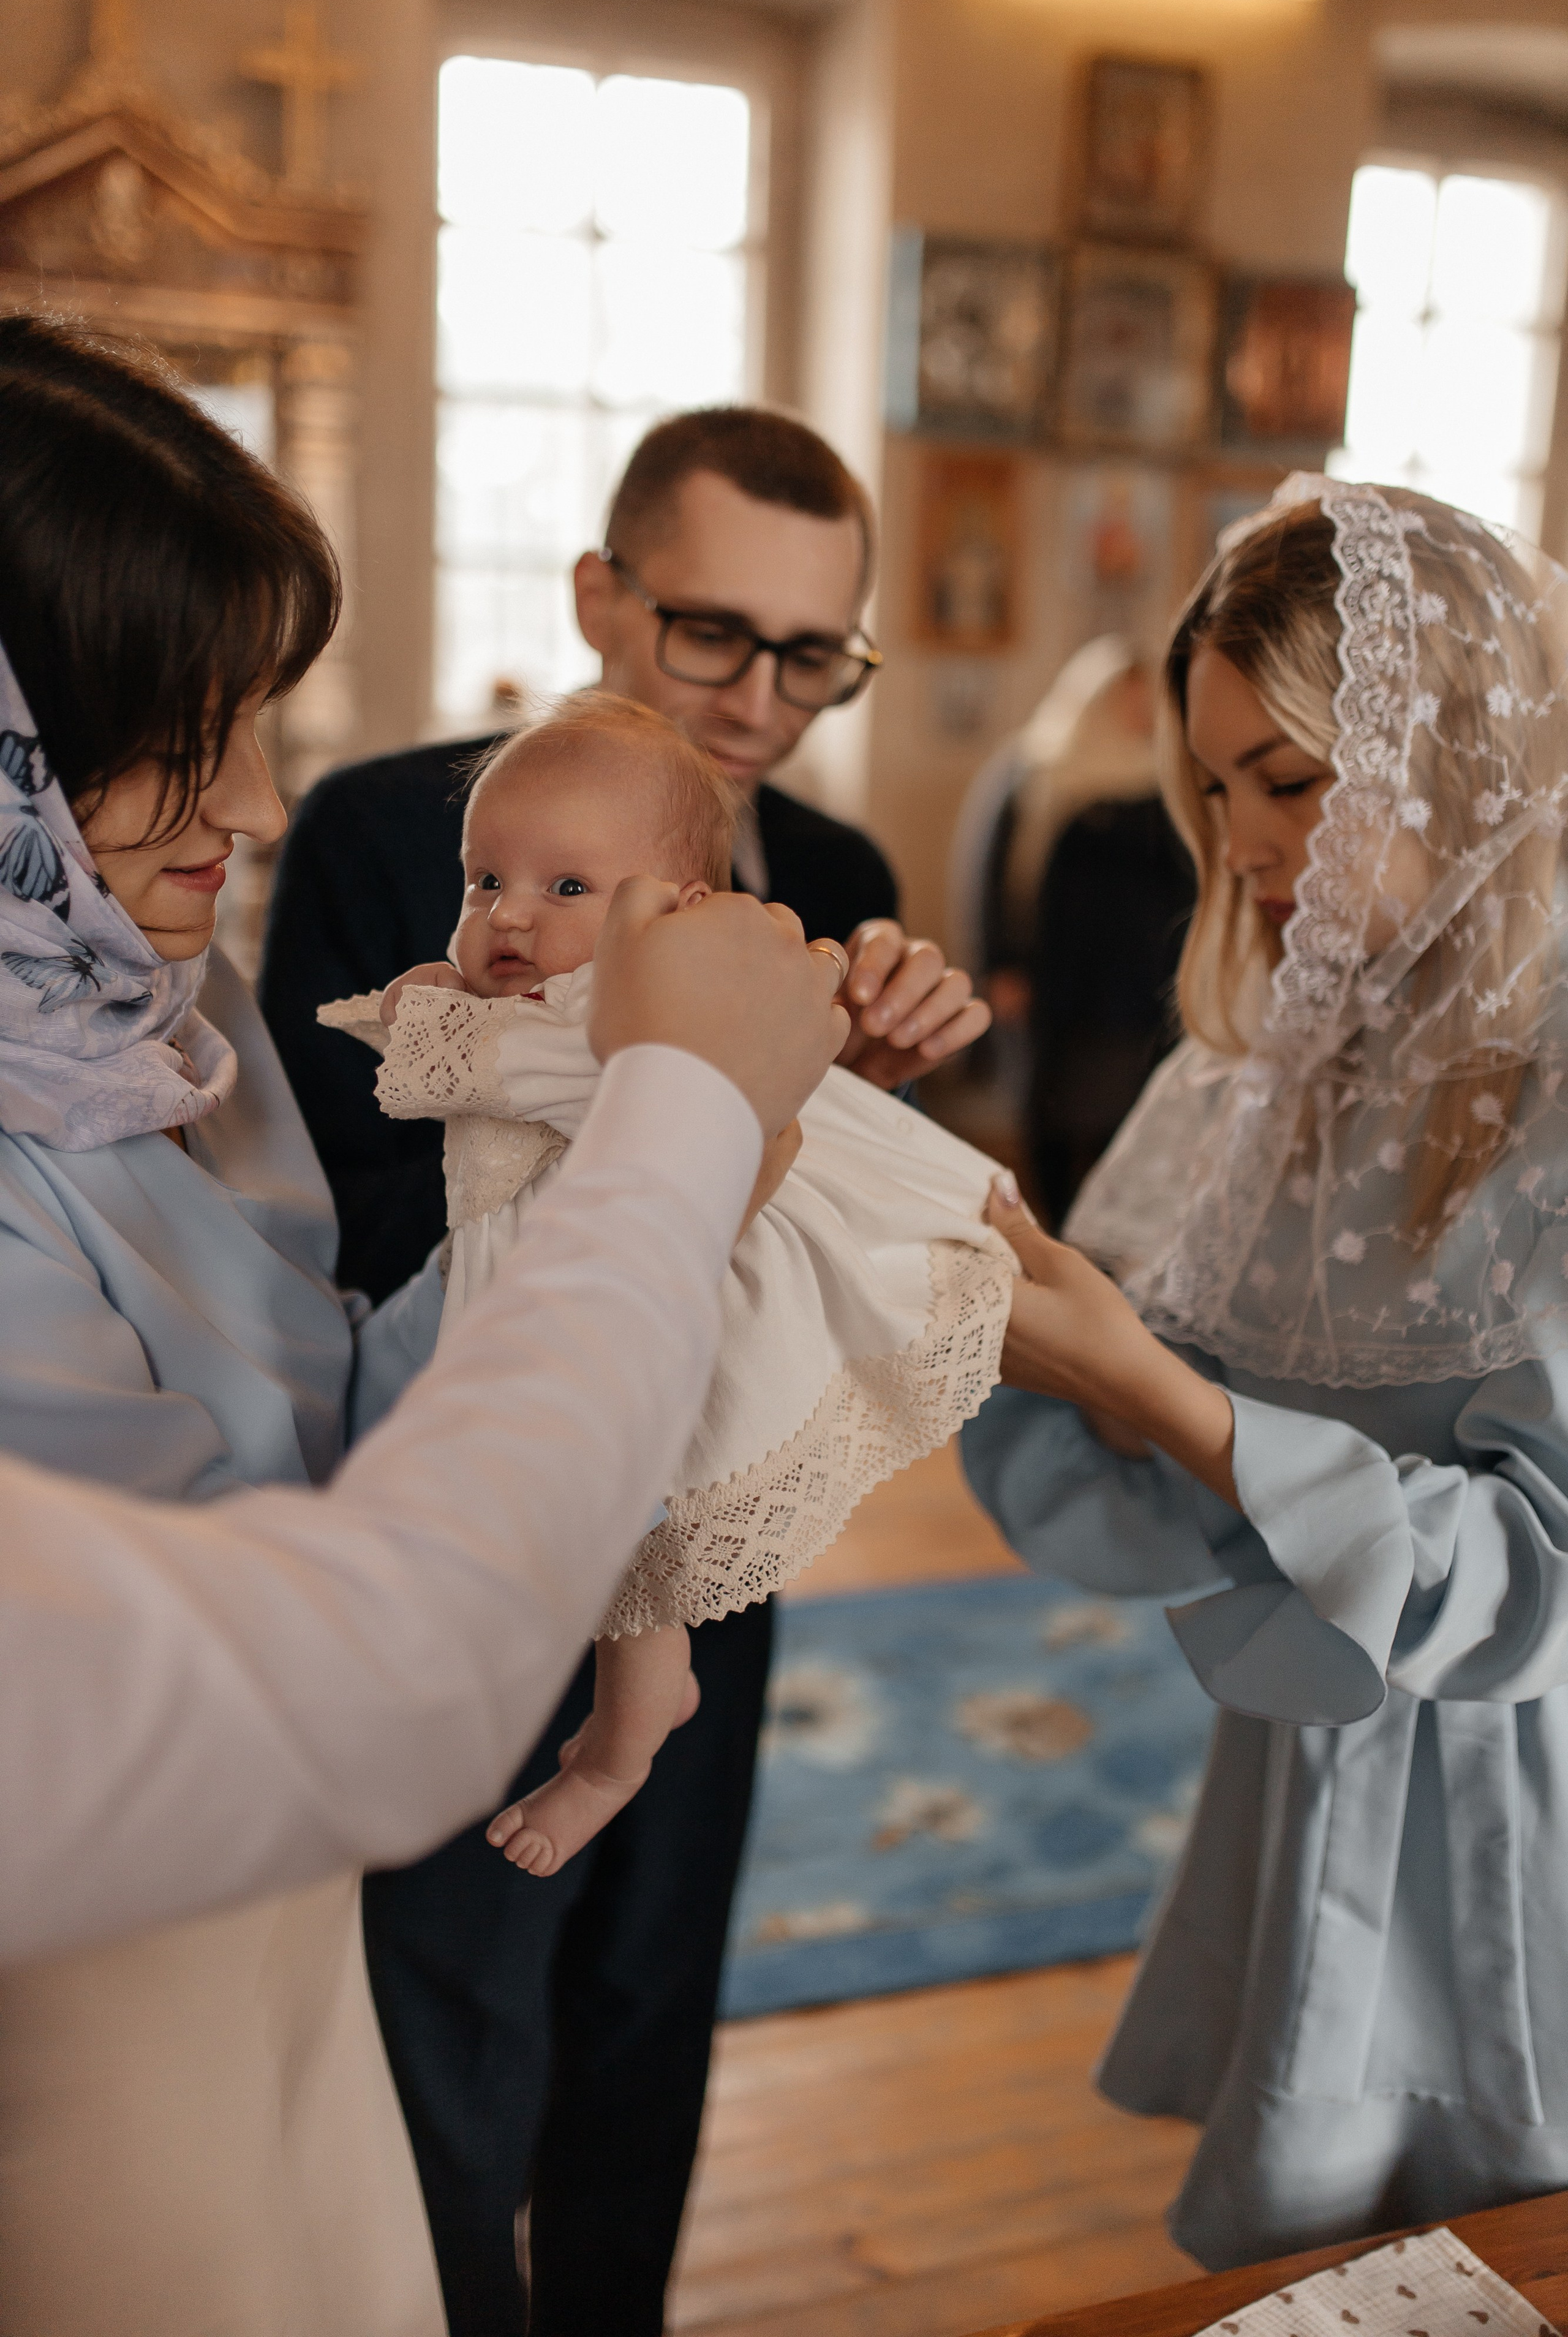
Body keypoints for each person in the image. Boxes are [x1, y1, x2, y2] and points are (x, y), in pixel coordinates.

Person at [259, 405, 991, 2336]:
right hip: (468, 1502)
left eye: (812, 653)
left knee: (653, 1993)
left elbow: (803, 1206)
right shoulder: (393, 836)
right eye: (710, 635)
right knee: (456, 1994)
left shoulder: (826, 861)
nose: (761, 696)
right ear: (600, 591)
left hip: (692, 1519)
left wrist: (850, 1093)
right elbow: (351, 1212)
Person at [962, 477, 1568, 2269]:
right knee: (1325, 2253)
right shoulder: (1269, 1061)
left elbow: (1539, 1583)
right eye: (1213, 787)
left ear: (1456, 753)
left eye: (1287, 782)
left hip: (1521, 1800)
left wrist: (1156, 1392)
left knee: (1505, 2246)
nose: (1236, 840)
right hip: (1318, 1754)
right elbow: (1162, 1463)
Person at [2, 874, 854, 1964]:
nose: (257, 807)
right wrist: (678, 1152)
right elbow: (332, 1692)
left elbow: (331, 1380)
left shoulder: (168, 977)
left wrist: (560, 1245)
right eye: (172, 740)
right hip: (142, 1928)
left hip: (302, 1913)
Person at [321, 692, 1011, 1878]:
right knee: (576, 1562)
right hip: (504, 1319)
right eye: (486, 882)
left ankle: (617, 1749)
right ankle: (595, 1726)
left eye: (569, 891)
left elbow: (482, 1070)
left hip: (624, 1319)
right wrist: (433, 994)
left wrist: (417, 1017)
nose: (511, 917)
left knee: (629, 1565)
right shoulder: (513, 984)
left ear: (679, 916)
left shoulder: (622, 1022)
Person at [948, 635, 1194, 1222]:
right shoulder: (1034, 768)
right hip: (1050, 984)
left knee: (1128, 1116)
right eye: (1127, 699)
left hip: (1139, 990)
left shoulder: (1167, 778)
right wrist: (996, 963)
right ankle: (1053, 1226)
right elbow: (988, 872)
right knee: (1051, 1113)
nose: (1141, 714)